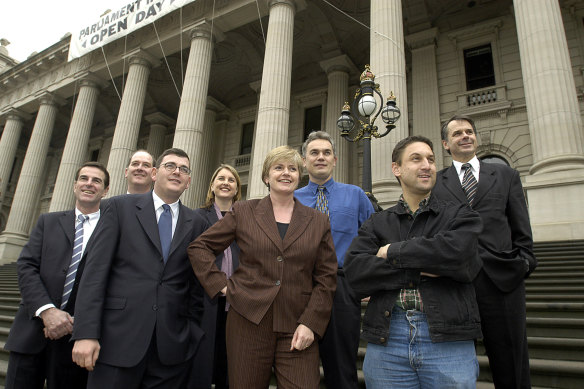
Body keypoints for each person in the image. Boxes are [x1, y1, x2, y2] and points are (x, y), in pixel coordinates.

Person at [188, 145, 337, 389]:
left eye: (292, 169)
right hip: (248, 322)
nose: (286, 173)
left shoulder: (317, 220)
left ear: (300, 176)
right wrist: (222, 287)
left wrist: (311, 323)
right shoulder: (244, 211)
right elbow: (199, 248)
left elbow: (326, 277)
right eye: (278, 168)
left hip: (298, 325)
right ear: (267, 176)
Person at [344, 135, 483, 388]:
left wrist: (392, 252)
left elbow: (461, 258)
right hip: (388, 337)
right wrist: (422, 268)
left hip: (448, 337)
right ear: (396, 169)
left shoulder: (460, 214)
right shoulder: (377, 222)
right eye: (416, 159)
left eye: (430, 159)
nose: (427, 165)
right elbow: (356, 272)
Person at [71, 148, 208, 389]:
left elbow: (195, 285)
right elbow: (94, 273)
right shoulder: (118, 207)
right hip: (117, 342)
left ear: (188, 182)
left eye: (184, 170)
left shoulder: (196, 223)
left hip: (171, 350)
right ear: (154, 173)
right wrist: (85, 332)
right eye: (170, 166)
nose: (177, 172)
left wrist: (190, 333)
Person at [433, 115, 536, 388]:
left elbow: (521, 227)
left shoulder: (506, 175)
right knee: (452, 365)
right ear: (446, 143)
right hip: (454, 284)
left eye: (469, 132)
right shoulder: (436, 183)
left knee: (511, 361)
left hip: (501, 281)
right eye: (457, 134)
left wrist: (523, 263)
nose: (465, 136)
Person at [4, 162, 110, 389]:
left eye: (96, 180)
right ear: (75, 186)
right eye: (84, 178)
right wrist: (47, 311)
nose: (89, 184)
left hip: (76, 340)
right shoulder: (48, 221)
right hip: (32, 332)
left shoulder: (110, 229)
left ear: (106, 190)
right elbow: (26, 266)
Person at [295, 130, 374, 389]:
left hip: (341, 288)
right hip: (298, 288)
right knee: (298, 367)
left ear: (335, 160)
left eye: (326, 152)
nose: (321, 157)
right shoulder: (291, 199)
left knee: (342, 368)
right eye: (314, 153)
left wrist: (366, 283)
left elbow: (373, 241)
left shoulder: (356, 195)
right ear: (304, 161)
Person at [187, 164, 242, 389]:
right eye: (220, 178)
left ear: (237, 188)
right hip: (205, 300)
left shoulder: (246, 217)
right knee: (203, 360)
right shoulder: (197, 217)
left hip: (237, 301)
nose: (225, 183)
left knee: (229, 362)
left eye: (231, 179)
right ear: (212, 185)